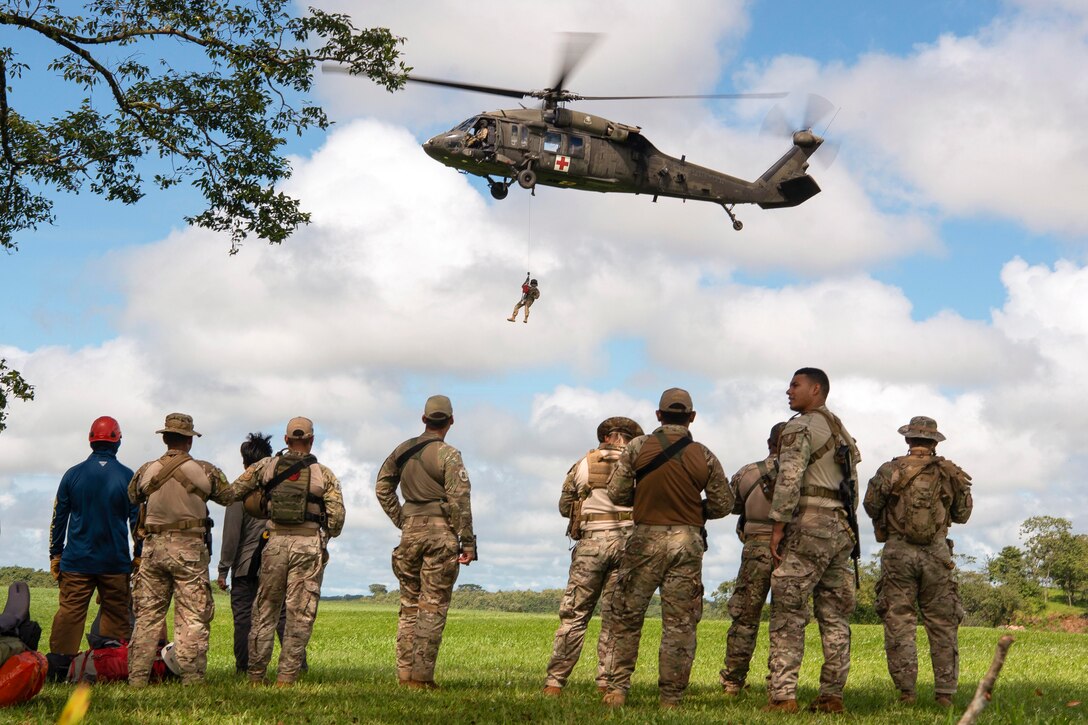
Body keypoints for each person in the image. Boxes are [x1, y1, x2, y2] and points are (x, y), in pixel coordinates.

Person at [601, 388, 733, 708]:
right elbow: (724, 504)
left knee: (627, 616)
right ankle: (670, 698)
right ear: (691, 417)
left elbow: (617, 494)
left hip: (644, 539)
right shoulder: (703, 454)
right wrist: (696, 510)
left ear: (658, 415)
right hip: (687, 543)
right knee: (680, 624)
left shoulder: (637, 447)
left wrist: (645, 499)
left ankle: (617, 690)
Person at [765, 368, 861, 713]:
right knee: (835, 615)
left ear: (816, 389)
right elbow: (853, 486)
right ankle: (832, 695)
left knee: (788, 610)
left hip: (809, 524)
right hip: (840, 527)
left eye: (795, 385)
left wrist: (778, 526)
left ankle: (783, 696)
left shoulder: (800, 426)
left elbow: (789, 479)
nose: (788, 391)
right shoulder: (841, 430)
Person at [863, 416, 973, 708]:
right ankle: (945, 694)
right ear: (935, 442)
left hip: (898, 552)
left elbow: (870, 505)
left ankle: (906, 693)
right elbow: (962, 515)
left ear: (908, 440)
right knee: (942, 623)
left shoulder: (890, 469)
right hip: (937, 553)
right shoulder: (951, 473)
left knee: (899, 620)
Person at [226, 417, 345, 686]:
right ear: (312, 440)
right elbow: (337, 522)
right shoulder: (324, 474)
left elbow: (232, 492)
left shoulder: (266, 466)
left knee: (264, 610)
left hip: (275, 543)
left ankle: (256, 675)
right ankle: (287, 677)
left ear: (286, 440)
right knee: (299, 613)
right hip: (307, 545)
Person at [375, 395, 477, 689]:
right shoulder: (449, 455)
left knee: (409, 606)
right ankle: (421, 678)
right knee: (431, 606)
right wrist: (467, 542)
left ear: (424, 419)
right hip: (440, 534)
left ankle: (405, 675)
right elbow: (460, 500)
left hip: (409, 536)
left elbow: (382, 486)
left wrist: (402, 519)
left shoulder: (403, 450)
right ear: (451, 421)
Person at [127, 413, 233, 687]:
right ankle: (192, 678)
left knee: (148, 616)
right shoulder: (206, 470)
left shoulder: (145, 470)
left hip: (152, 549)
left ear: (164, 438)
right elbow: (228, 496)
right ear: (189, 440)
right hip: (189, 551)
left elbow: (132, 495)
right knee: (192, 615)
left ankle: (137, 678)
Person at [543, 416, 644, 697]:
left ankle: (555, 682)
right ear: (630, 439)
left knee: (574, 616)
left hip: (589, 546)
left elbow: (565, 506)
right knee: (615, 619)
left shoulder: (582, 464)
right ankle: (606, 683)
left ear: (606, 437)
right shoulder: (639, 466)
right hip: (626, 546)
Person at [46, 416, 138, 681]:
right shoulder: (127, 477)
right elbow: (137, 522)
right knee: (116, 613)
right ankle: (109, 666)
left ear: (90, 440)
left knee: (70, 614)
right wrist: (139, 554)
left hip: (76, 562)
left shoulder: (72, 475)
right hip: (115, 562)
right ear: (118, 441)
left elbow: (58, 518)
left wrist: (55, 554)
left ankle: (60, 668)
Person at [217, 432, 302, 675]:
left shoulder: (239, 490)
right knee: (284, 616)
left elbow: (231, 536)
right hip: (278, 560)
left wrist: (223, 569)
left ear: (245, 462)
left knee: (244, 619)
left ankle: (244, 667)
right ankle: (297, 666)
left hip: (245, 568)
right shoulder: (281, 487)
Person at [719, 421, 786, 696]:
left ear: (769, 443)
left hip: (755, 547)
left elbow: (729, 505)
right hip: (790, 549)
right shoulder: (808, 475)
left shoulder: (748, 472)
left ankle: (733, 682)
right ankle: (780, 684)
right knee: (786, 621)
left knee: (745, 617)